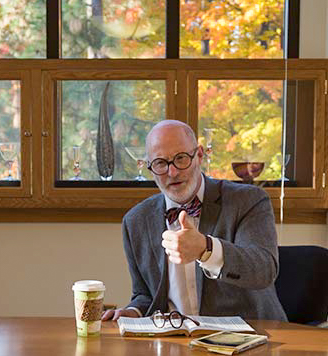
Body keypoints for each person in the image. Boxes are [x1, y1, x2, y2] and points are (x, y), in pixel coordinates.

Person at [100, 120, 287, 322]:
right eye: (161, 163)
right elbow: (144, 295)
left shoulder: (247, 200)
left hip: (248, 339)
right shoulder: (136, 221)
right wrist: (133, 312)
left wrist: (206, 249)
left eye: (180, 158)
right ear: (150, 168)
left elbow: (264, 270)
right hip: (174, 341)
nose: (172, 172)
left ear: (199, 155)